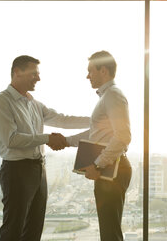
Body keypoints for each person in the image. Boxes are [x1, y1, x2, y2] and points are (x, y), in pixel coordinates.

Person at [0, 55, 90, 241]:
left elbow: (62, 119)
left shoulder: (34, 104)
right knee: (14, 228)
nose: (39, 78)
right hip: (17, 171)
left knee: (34, 228)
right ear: (17, 72)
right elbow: (11, 140)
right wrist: (47, 138)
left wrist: (96, 121)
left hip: (38, 169)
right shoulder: (0, 101)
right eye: (34, 73)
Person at [67, 51, 132, 241]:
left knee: (110, 234)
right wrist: (66, 141)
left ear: (103, 70)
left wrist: (97, 165)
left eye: (90, 71)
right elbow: (96, 133)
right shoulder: (106, 97)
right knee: (108, 231)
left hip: (112, 170)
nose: (87, 76)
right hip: (109, 169)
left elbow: (123, 137)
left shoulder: (113, 95)